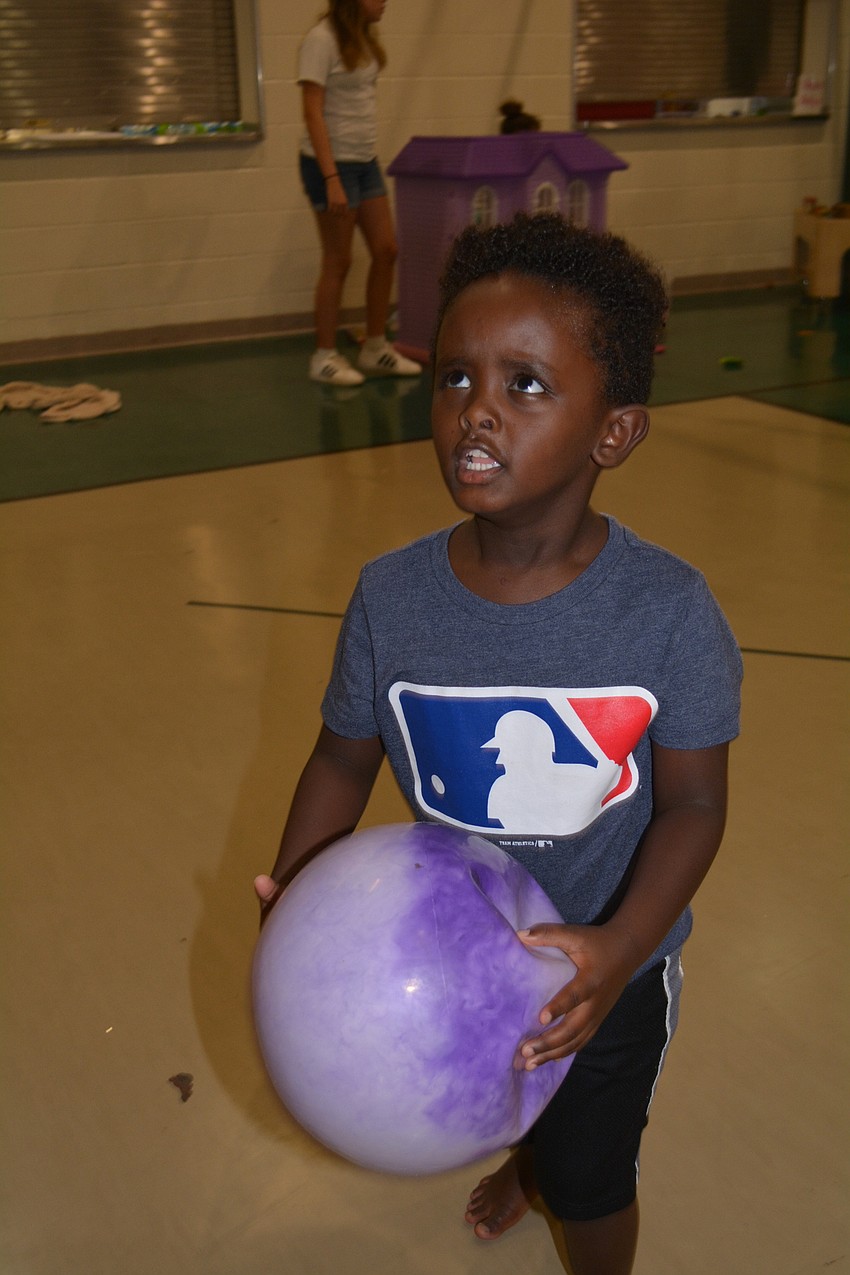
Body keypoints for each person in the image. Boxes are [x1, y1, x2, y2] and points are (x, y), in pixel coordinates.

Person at [255, 212, 742, 1275]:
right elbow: (344, 756)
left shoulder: (667, 614)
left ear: (613, 433)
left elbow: (695, 807)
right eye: (454, 378)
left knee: (588, 1179)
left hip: (603, 966)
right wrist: (294, 885)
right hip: (452, 954)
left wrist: (618, 953)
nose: (476, 410)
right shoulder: (393, 598)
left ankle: (552, 1183)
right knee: (509, 1107)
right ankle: (526, 1150)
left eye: (525, 384)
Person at [297, 0, 421, 387]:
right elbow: (312, 111)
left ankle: (374, 347)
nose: (385, 1)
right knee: (339, 260)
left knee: (386, 250)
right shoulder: (321, 40)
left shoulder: (364, 41)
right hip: (331, 165)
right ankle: (324, 356)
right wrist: (331, 176)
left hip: (364, 161)